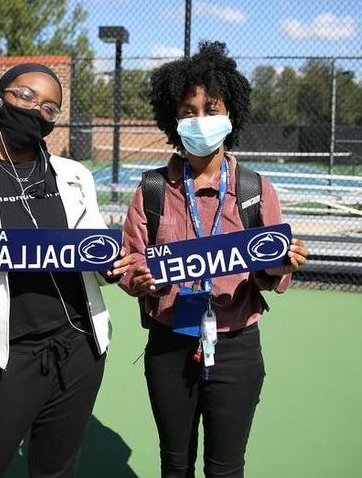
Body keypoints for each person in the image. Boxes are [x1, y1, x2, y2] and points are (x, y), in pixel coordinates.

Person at [0, 63, 135, 478]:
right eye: (25, 96)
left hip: (79, 351)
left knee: (56, 470)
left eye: (50, 107)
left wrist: (109, 268)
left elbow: (91, 249)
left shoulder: (75, 177)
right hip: (3, 359)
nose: (36, 109)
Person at [118, 42, 309, 478]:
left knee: (225, 469)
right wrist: (139, 280)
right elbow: (130, 264)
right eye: (188, 111)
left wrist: (280, 267)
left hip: (237, 344)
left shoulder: (255, 189)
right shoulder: (150, 191)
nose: (200, 120)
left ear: (230, 115)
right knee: (175, 464)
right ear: (173, 120)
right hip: (169, 343)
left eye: (211, 108)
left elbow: (267, 273)